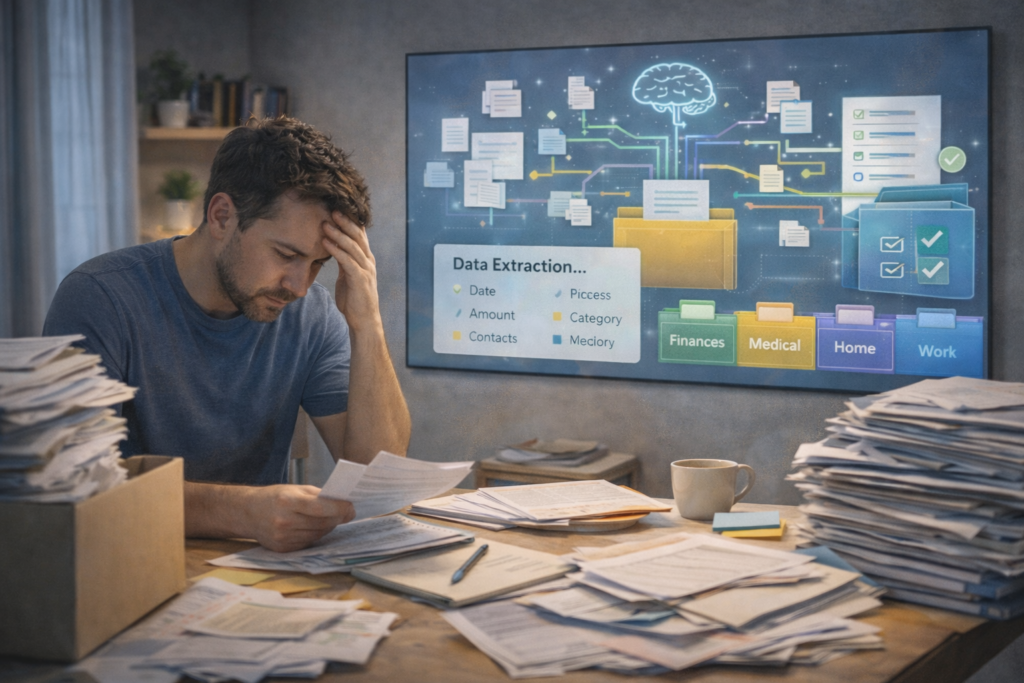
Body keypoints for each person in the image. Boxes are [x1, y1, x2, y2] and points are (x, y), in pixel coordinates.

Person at [43, 116, 411, 552]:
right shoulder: (100, 298)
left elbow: (379, 483)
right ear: (222, 216)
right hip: (126, 561)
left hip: (260, 576)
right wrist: (239, 511)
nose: (299, 285)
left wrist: (367, 322)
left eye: (317, 264)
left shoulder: (310, 313)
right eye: (286, 254)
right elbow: (70, 484)